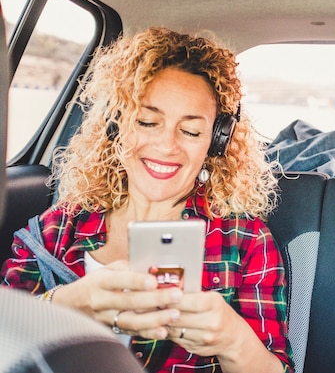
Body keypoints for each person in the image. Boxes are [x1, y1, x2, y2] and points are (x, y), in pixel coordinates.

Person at [1, 27, 294, 373]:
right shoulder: (55, 230)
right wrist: (63, 305)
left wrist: (235, 341)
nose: (166, 146)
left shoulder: (246, 243)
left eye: (190, 131)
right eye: (147, 121)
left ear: (216, 142)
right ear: (116, 125)